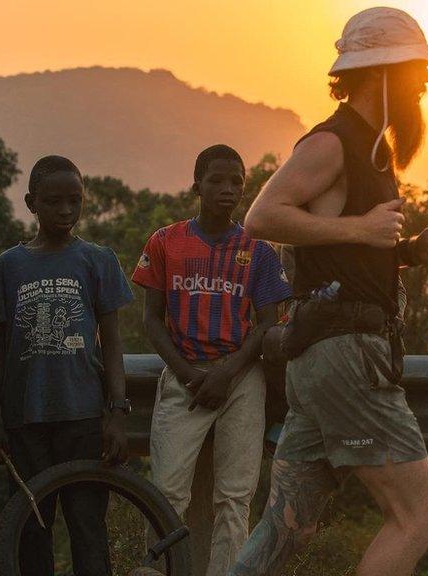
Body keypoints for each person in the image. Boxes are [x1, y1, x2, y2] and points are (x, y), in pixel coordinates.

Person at [230, 7, 428, 576]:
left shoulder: (374, 148)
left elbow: (338, 254)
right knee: (417, 519)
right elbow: (262, 217)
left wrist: (405, 253)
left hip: (322, 358)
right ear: (380, 72)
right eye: (415, 69)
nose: (425, 80)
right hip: (348, 355)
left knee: (285, 528)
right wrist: (363, 229)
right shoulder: (334, 142)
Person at [132, 144, 292, 576]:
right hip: (183, 375)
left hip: (240, 377)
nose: (228, 189)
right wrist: (186, 373)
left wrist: (227, 372)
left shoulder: (258, 249)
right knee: (166, 492)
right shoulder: (166, 241)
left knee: (235, 496)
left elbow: (266, 323)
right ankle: (160, 569)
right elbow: (150, 318)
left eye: (236, 181)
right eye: (216, 180)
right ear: (196, 185)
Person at [0, 155, 133, 576]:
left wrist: (117, 413)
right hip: (25, 419)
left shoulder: (98, 259)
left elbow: (113, 343)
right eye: (53, 201)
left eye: (75, 200)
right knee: (33, 529)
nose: (66, 210)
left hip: (84, 417)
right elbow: (1, 344)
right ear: (31, 203)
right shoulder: (9, 265)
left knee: (88, 528)